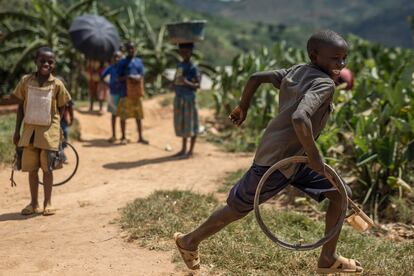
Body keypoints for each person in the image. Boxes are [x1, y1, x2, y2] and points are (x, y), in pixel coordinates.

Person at [174, 30, 363, 274]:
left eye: (344, 58)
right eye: (335, 58)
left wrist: (244, 106)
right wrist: (315, 156)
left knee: (340, 193)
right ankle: (189, 241)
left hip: (298, 159)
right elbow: (300, 117)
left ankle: (327, 258)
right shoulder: (324, 84)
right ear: (314, 55)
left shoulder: (296, 71)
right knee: (238, 207)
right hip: (278, 160)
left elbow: (255, 77)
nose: (341, 64)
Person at [12, 46, 71, 216]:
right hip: (29, 131)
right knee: (32, 169)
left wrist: (58, 128)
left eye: (50, 62)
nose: (46, 64)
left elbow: (63, 106)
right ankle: (33, 203)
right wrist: (17, 131)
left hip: (49, 133)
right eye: (42, 61)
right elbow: (20, 107)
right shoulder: (26, 81)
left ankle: (48, 202)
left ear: (54, 65)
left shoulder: (57, 84)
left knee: (47, 169)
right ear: (35, 62)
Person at [116, 42, 148, 145]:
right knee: (123, 117)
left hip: (136, 93)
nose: (131, 50)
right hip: (125, 93)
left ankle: (140, 137)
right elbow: (118, 77)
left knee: (138, 116)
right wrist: (127, 77)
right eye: (129, 49)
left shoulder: (139, 62)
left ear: (135, 49)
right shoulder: (122, 63)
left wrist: (137, 78)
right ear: (126, 50)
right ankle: (123, 137)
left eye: (133, 48)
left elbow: (142, 75)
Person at [173, 43, 201, 158]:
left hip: (189, 99)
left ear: (191, 52)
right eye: (182, 52)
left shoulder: (193, 68)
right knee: (183, 124)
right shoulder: (179, 65)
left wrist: (185, 82)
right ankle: (183, 149)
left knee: (192, 124)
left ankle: (191, 151)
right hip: (180, 98)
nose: (184, 54)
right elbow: (176, 79)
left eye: (186, 52)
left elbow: (197, 85)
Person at [101, 50, 123, 143]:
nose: (117, 58)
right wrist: (109, 84)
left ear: (121, 58)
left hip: (123, 94)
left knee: (123, 116)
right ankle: (114, 135)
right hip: (113, 93)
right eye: (115, 57)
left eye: (119, 57)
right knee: (114, 115)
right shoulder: (111, 68)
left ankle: (123, 136)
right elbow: (102, 77)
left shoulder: (123, 68)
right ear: (113, 59)